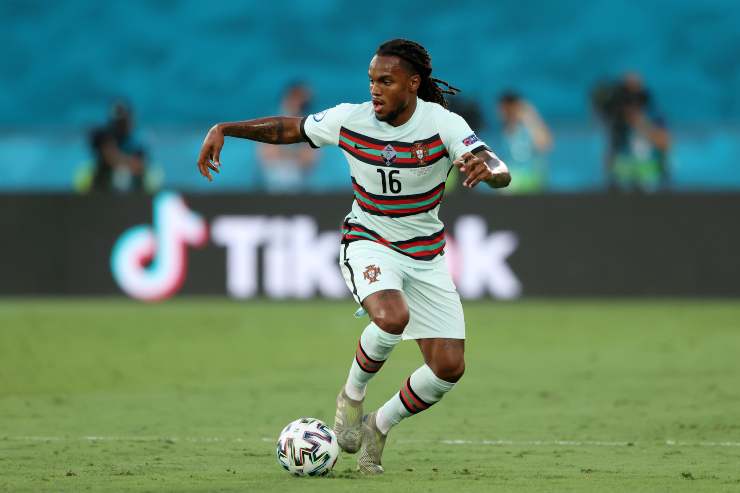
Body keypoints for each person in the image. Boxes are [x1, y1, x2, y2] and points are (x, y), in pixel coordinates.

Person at [196, 39, 510, 474]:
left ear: (413, 84)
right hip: (368, 239)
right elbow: (290, 128)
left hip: (426, 256)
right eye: (371, 81)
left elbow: (494, 164)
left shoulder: (443, 124)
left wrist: (490, 171)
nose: (375, 90)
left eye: (386, 81)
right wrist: (226, 128)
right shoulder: (352, 120)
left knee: (448, 368)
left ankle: (379, 426)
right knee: (391, 316)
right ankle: (352, 395)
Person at [591, 73, 671, 192]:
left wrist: (640, 123)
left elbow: (665, 142)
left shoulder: (653, 115)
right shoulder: (617, 119)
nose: (630, 103)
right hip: (622, 176)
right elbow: (610, 151)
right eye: (626, 96)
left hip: (649, 177)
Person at [256, 82, 318, 192]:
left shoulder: (310, 127)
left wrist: (285, 153)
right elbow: (267, 156)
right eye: (296, 99)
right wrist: (294, 155)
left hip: (300, 187)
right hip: (272, 187)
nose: (299, 104)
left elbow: (309, 160)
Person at [84, 102, 151, 193]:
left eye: (124, 122)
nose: (121, 126)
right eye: (118, 123)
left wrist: (119, 159)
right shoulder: (104, 138)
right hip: (103, 187)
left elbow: (139, 165)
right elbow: (107, 156)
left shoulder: (137, 146)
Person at [495, 91, 552, 193]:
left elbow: (545, 144)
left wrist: (530, 116)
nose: (500, 112)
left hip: (529, 175)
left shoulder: (527, 128)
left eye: (503, 108)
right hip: (513, 175)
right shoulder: (503, 131)